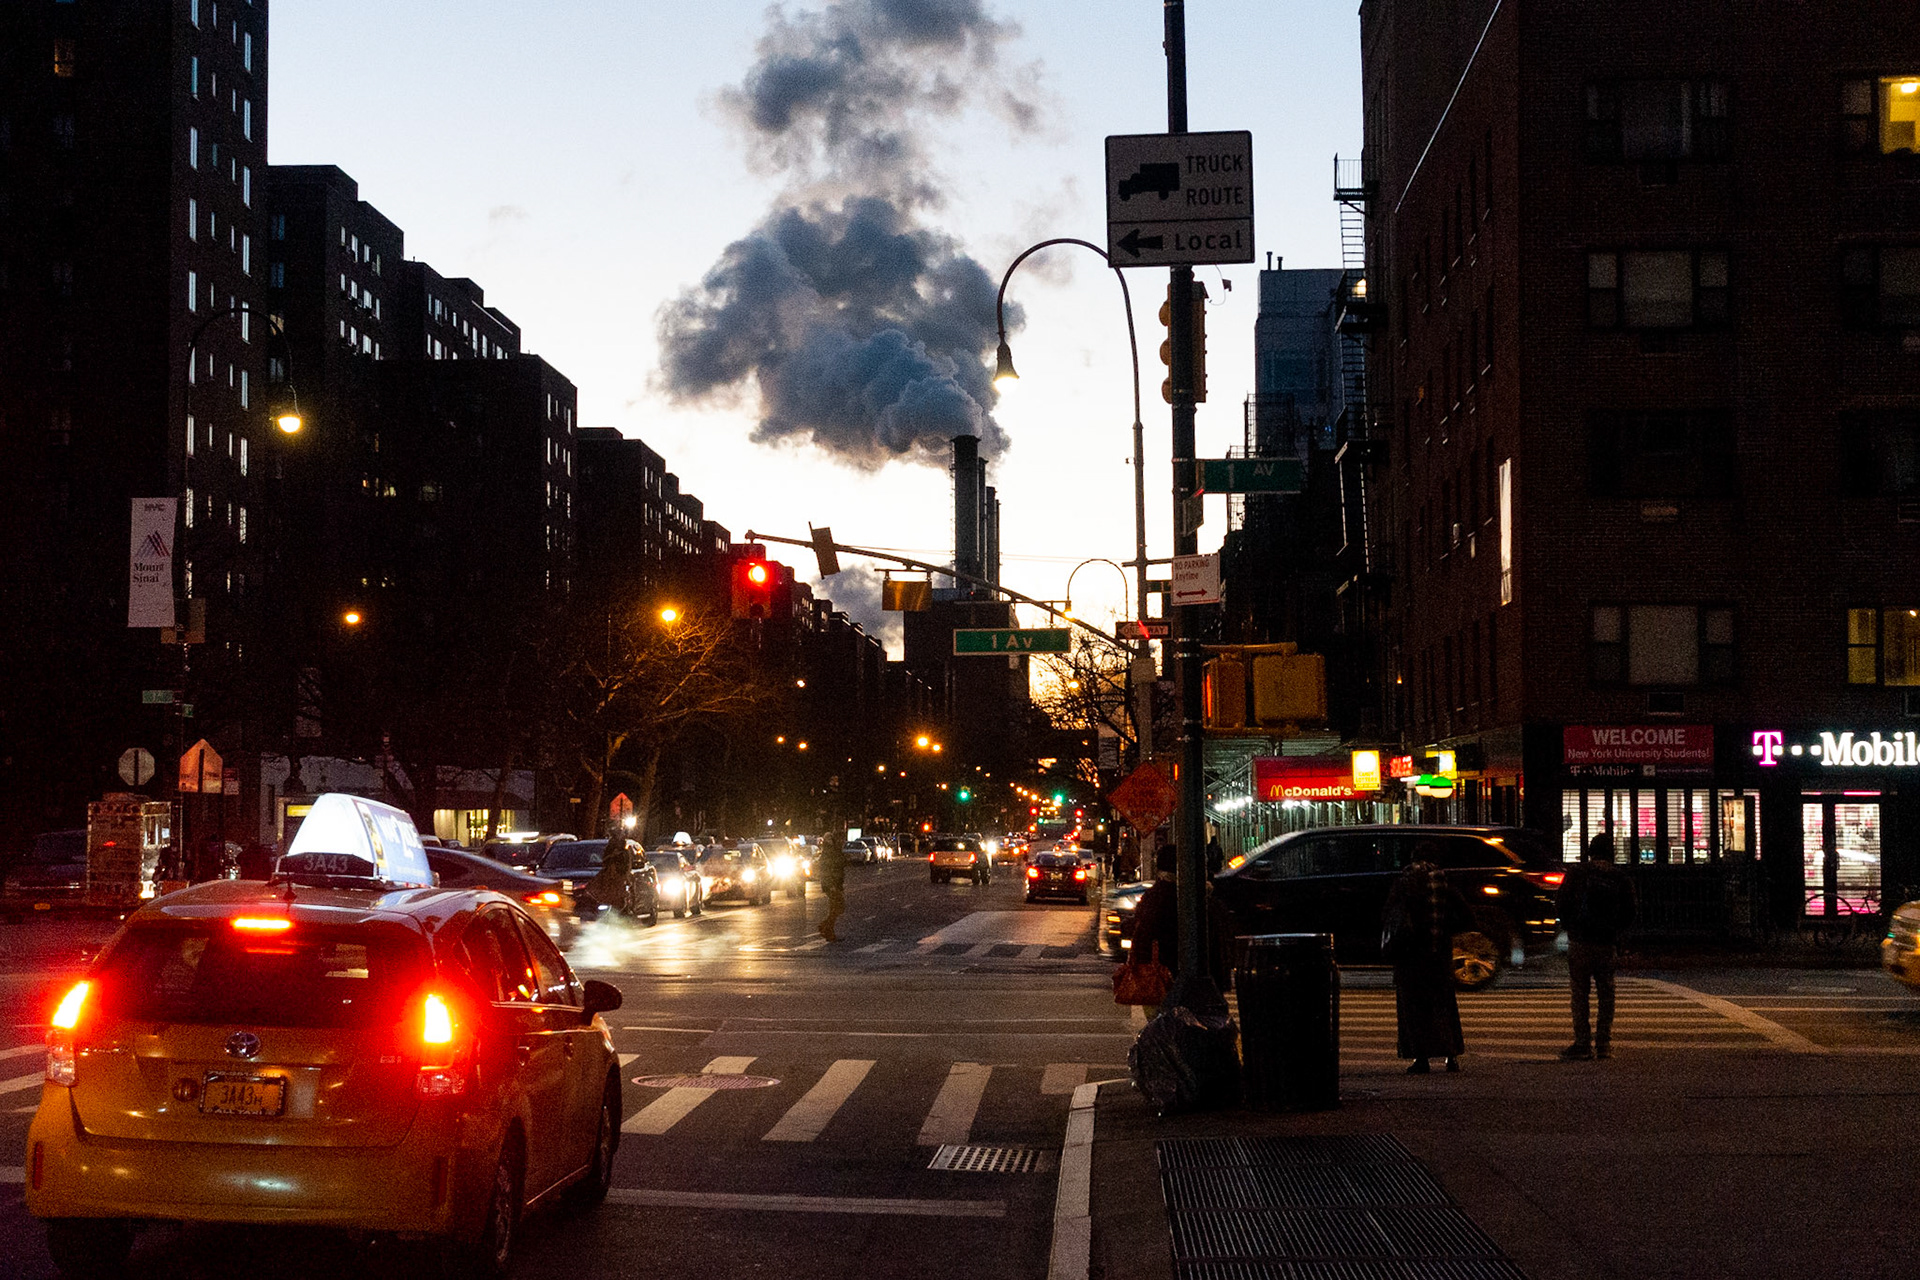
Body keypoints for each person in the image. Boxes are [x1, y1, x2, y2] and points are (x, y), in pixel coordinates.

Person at [1382, 845, 1471, 1074]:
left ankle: (1421, 1058)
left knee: (1414, 1008)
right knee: (1443, 1005)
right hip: (1439, 953)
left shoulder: (1405, 880)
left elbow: (1391, 913)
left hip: (1411, 955)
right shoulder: (1443, 879)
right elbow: (1465, 915)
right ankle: (1451, 1056)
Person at [1557, 832, 1638, 1060]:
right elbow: (1630, 911)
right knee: (1606, 994)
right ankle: (1603, 1044)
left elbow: (1561, 903)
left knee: (1580, 994)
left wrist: (1571, 927)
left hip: (1581, 941)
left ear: (1591, 851)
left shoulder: (1577, 873)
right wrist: (1615, 933)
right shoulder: (1620, 878)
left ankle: (1582, 1043)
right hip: (1606, 943)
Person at [589, 831, 633, 916]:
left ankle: (624, 912)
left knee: (623, 895)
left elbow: (627, 866)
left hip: (619, 877)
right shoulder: (604, 872)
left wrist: (624, 876)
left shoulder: (625, 853)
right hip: (609, 880)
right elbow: (605, 861)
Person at [816, 830, 847, 942]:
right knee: (838, 907)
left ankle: (828, 928)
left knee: (835, 908)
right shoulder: (830, 852)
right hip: (832, 885)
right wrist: (832, 885)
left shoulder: (833, 850)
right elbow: (828, 870)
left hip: (834, 884)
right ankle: (826, 927)